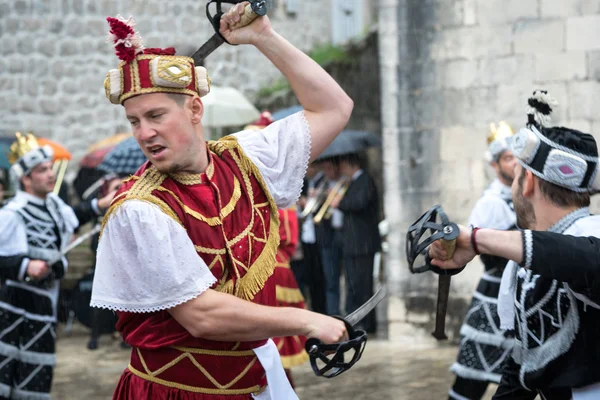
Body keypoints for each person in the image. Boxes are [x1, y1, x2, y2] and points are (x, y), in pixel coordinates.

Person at [91, 4, 353, 399]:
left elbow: (334, 108)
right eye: (134, 120)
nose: (144, 133)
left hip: (253, 381)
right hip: (176, 392)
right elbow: (201, 316)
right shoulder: (139, 209)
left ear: (194, 108)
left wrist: (264, 37)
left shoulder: (247, 157)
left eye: (156, 115)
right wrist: (305, 320)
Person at [430, 90, 600, 399]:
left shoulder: (592, 235)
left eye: (518, 174)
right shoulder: (524, 270)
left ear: (530, 182)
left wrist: (479, 239)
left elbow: (583, 258)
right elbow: (525, 370)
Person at [0, 132, 116, 399]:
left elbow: (73, 217)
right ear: (26, 179)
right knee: (12, 377)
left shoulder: (52, 204)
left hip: (45, 308)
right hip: (15, 310)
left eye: (50, 168)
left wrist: (101, 204)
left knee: (38, 376)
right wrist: (25, 266)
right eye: (42, 170)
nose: (50, 174)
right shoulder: (11, 214)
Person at [448, 122, 518, 400]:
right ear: (495, 164)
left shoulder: (523, 195)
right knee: (471, 378)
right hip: (493, 297)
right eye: (508, 158)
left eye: (517, 156)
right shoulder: (490, 204)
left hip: (524, 298)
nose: (514, 163)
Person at [331, 153, 381, 333]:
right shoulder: (352, 183)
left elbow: (359, 203)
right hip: (352, 243)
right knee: (353, 285)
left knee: (363, 286)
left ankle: (367, 324)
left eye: (343, 165)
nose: (341, 169)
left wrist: (340, 202)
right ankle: (356, 320)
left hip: (363, 243)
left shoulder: (365, 180)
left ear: (352, 164)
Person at [314, 157, 345, 316]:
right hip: (328, 235)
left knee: (349, 278)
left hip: (344, 234)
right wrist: (318, 196)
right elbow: (313, 211)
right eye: (324, 169)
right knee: (330, 279)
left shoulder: (345, 183)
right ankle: (334, 313)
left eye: (329, 168)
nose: (327, 172)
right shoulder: (322, 184)